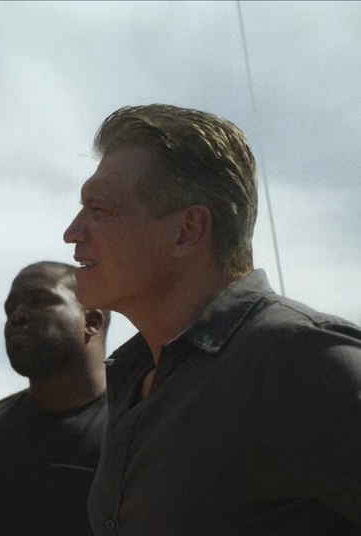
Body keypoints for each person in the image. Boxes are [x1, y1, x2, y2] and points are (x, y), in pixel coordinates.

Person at [64, 104, 361, 534]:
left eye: (100, 209)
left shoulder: (303, 361)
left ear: (187, 230)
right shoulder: (133, 379)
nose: (72, 232)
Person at [0, 262, 109, 536]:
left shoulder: (141, 431)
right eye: (10, 308)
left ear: (91, 322)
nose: (17, 316)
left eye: (39, 302)